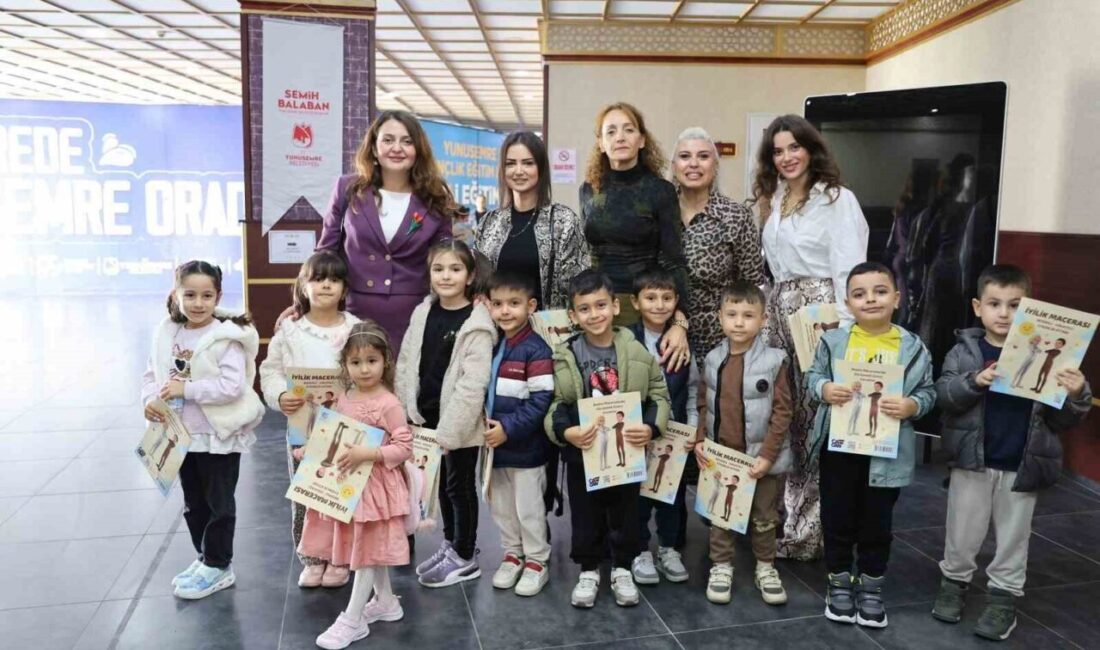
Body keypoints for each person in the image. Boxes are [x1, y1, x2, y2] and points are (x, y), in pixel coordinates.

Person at [931, 265, 1092, 641]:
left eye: (1014, 304)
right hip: (972, 459)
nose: (1004, 313)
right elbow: (944, 397)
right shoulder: (964, 351)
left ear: (1029, 308)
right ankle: (953, 583)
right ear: (977, 307)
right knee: (962, 530)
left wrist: (1076, 393)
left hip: (1023, 462)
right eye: (994, 304)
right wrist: (975, 381)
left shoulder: (1055, 353)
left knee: (1014, 536)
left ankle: (1003, 597)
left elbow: (1064, 419)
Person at [751, 114, 869, 561]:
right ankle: (781, 517)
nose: (787, 157)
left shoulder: (838, 199)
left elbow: (849, 269)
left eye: (794, 147)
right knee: (782, 417)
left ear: (811, 149)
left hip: (819, 314)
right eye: (778, 151)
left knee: (813, 425)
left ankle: (808, 531)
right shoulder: (776, 198)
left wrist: (839, 333)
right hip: (779, 313)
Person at [806, 262, 935, 629]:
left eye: (880, 291)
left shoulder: (912, 347)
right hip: (840, 448)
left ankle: (872, 586)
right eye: (860, 294)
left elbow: (928, 391)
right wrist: (825, 389)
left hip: (886, 452)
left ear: (896, 297)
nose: (871, 299)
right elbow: (812, 378)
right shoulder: (833, 342)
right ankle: (839, 582)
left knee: (877, 523)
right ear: (848, 303)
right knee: (837, 517)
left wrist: (913, 405)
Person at [545, 269, 670, 608]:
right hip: (582, 452)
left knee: (625, 512)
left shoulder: (637, 350)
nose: (594, 314)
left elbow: (659, 393)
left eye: (601, 305)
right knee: (585, 512)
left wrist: (650, 428)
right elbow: (555, 402)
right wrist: (565, 432)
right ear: (573, 316)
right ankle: (588, 569)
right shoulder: (565, 354)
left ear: (615, 306)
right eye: (584, 309)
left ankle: (622, 568)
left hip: (626, 451)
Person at [141, 261, 266, 600]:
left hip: (217, 436)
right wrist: (150, 399)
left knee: (219, 503)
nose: (198, 303)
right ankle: (205, 558)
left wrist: (187, 389)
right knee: (194, 503)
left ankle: (219, 564)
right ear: (176, 295)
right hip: (180, 435)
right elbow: (153, 374)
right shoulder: (168, 332)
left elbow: (231, 386)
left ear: (218, 296)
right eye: (190, 294)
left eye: (206, 295)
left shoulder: (228, 338)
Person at [299, 322, 412, 650]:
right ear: (345, 365)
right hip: (349, 487)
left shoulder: (388, 403)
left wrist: (370, 453)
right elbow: (334, 433)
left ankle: (352, 618)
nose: (364, 369)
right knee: (367, 546)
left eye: (371, 361)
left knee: (365, 552)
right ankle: (387, 602)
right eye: (356, 362)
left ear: (385, 361)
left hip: (377, 490)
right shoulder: (344, 397)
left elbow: (405, 447)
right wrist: (311, 449)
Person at [302, 110, 455, 352]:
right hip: (354, 312)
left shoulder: (435, 197)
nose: (397, 148)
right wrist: (304, 304)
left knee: (404, 387)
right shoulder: (347, 187)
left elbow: (448, 257)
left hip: (414, 315)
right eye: (388, 140)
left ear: (419, 150)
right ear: (373, 147)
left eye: (407, 141)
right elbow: (325, 252)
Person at [396, 240, 496, 587]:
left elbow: (473, 384)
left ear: (470, 276)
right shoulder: (423, 311)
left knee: (460, 488)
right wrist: (406, 409)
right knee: (442, 488)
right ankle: (451, 543)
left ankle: (466, 555)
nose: (446, 275)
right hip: (428, 422)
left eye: (455, 269)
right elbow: (407, 361)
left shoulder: (477, 322)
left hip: (460, 427)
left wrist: (451, 433)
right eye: (438, 269)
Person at [260, 251, 361, 589]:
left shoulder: (355, 328)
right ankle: (311, 557)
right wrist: (278, 396)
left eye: (333, 279)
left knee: (339, 492)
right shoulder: (289, 330)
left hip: (345, 429)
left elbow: (370, 370)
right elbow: (270, 371)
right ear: (303, 286)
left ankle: (339, 556)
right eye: (317, 279)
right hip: (302, 429)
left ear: (345, 288)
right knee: (305, 493)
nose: (325, 286)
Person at [695, 281, 794, 606]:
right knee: (721, 515)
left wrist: (767, 456)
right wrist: (700, 442)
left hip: (760, 461)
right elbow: (702, 404)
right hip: (721, 457)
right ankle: (721, 566)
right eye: (732, 314)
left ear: (763, 319)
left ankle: (766, 567)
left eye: (748, 315)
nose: (739, 322)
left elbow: (783, 413)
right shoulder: (712, 359)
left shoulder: (775, 361)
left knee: (764, 518)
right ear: (720, 318)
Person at [580, 102, 690, 370]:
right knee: (600, 393)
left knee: (641, 391)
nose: (620, 137)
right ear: (601, 143)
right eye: (611, 131)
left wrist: (679, 322)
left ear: (641, 140)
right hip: (597, 306)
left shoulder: (660, 191)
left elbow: (674, 260)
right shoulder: (588, 190)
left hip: (644, 307)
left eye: (628, 130)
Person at [484, 271, 555, 597]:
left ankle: (537, 560)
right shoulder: (493, 343)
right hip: (494, 449)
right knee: (501, 507)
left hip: (525, 448)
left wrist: (508, 429)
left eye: (514, 304)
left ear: (531, 306)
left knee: (528, 508)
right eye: (497, 304)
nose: (505, 311)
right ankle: (513, 553)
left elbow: (542, 399)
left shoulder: (535, 349)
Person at [670, 127, 768, 361]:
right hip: (665, 336)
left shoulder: (735, 216)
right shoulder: (658, 213)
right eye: (685, 157)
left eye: (703, 156)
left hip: (722, 340)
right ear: (674, 166)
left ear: (715, 166)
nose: (694, 163)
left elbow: (752, 285)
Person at [627, 269, 699, 587]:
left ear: (676, 302)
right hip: (638, 432)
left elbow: (695, 388)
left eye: (667, 298)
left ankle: (668, 549)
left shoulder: (683, 341)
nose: (659, 305)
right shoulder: (627, 339)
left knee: (672, 495)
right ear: (635, 301)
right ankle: (640, 549)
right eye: (651, 298)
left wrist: (693, 427)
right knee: (639, 495)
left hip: (674, 432)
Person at [476, 131, 590, 310]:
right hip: (496, 330)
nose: (519, 171)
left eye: (528, 163)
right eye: (510, 164)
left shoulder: (563, 221)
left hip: (548, 332)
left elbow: (579, 286)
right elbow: (478, 284)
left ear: (541, 168)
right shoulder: (489, 222)